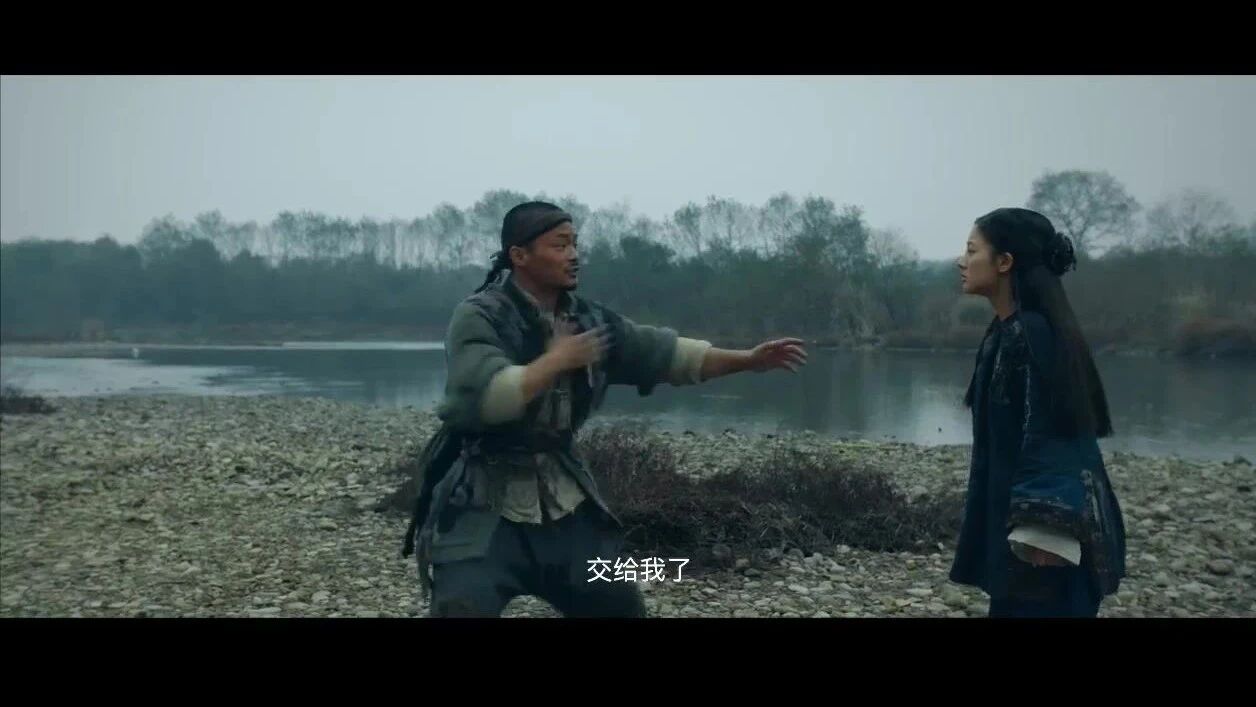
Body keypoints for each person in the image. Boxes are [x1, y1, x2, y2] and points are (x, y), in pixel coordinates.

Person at [402, 200, 808, 617]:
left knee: (618, 603)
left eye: (574, 244)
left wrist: (748, 360)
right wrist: (554, 361)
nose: (574, 255)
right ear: (519, 255)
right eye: (560, 245)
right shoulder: (480, 316)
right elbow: (484, 398)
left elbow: (664, 355)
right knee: (461, 606)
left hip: (564, 498)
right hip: (482, 502)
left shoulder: (589, 320)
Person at [949, 207, 1126, 618]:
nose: (961, 261)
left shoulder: (1032, 335)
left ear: (1004, 262)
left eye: (972, 251)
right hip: (1019, 540)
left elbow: (1056, 437)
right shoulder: (1005, 332)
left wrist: (1045, 529)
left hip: (1046, 545)